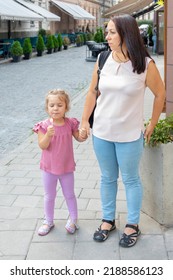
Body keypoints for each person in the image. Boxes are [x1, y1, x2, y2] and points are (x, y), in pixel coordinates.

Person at [80, 14, 165, 247]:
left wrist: (153, 123)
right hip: (102, 133)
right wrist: (85, 121)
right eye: (107, 32)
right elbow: (92, 92)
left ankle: (133, 224)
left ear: (126, 34)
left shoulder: (145, 65)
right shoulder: (103, 59)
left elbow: (160, 95)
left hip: (129, 135)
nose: (106, 36)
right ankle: (108, 220)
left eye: (111, 32)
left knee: (130, 179)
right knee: (107, 178)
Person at [33, 89, 87, 236]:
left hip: (66, 168)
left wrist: (83, 134)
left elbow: (79, 138)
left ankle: (73, 219)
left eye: (59, 105)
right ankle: (48, 221)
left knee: (69, 194)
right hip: (48, 168)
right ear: (47, 108)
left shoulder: (70, 123)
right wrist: (48, 136)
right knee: (49, 195)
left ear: (66, 107)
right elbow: (42, 146)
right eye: (52, 105)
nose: (55, 108)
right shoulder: (43, 126)